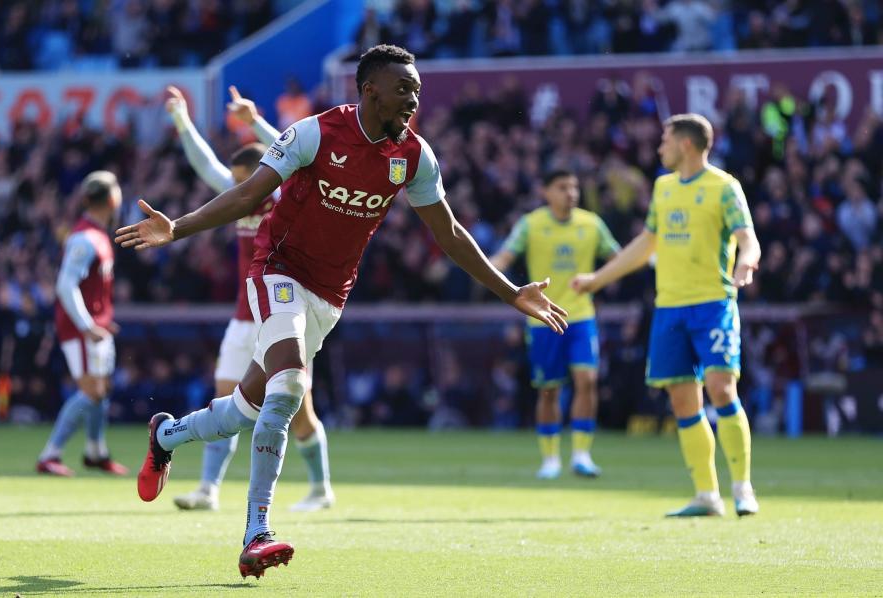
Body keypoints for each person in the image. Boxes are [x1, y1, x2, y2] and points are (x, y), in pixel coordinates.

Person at [115, 44, 568, 578]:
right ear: (370, 89)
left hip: (329, 298)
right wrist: (179, 227)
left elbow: (448, 232)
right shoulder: (316, 133)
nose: (413, 98)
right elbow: (247, 194)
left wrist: (511, 291)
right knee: (287, 390)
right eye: (404, 88)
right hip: (277, 271)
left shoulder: (414, 157)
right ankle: (256, 531)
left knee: (244, 409)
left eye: (417, 90)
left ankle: (166, 436)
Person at [572, 113, 761, 518]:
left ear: (686, 145)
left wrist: (745, 264)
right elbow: (645, 244)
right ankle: (707, 495)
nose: (660, 148)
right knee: (682, 402)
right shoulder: (663, 188)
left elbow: (748, 238)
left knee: (722, 388)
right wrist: (597, 279)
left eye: (665, 141)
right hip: (669, 309)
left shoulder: (724, 187)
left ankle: (742, 488)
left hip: (713, 304)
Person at [164, 85, 334, 512]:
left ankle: (320, 489)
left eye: (244, 182)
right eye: (237, 184)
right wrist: (183, 121)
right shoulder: (240, 192)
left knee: (298, 412)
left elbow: (297, 148)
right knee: (225, 401)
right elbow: (206, 166)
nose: (239, 192)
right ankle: (208, 489)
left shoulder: (285, 194)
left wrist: (255, 120)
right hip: (244, 318)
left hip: (285, 312)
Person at [491, 169, 619, 480]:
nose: (571, 193)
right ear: (545, 192)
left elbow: (618, 257)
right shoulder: (531, 225)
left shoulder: (591, 224)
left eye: (574, 187)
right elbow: (504, 258)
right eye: (562, 187)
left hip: (581, 316)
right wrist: (486, 271)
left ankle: (581, 455)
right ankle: (550, 459)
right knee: (549, 391)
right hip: (542, 320)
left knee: (587, 381)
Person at [36, 171, 128, 477]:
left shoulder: (97, 235)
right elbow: (65, 285)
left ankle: (95, 451)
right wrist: (88, 324)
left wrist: (100, 319)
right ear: (113, 199)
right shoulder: (85, 238)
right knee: (91, 390)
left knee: (101, 390)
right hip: (81, 328)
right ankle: (50, 454)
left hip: (96, 325)